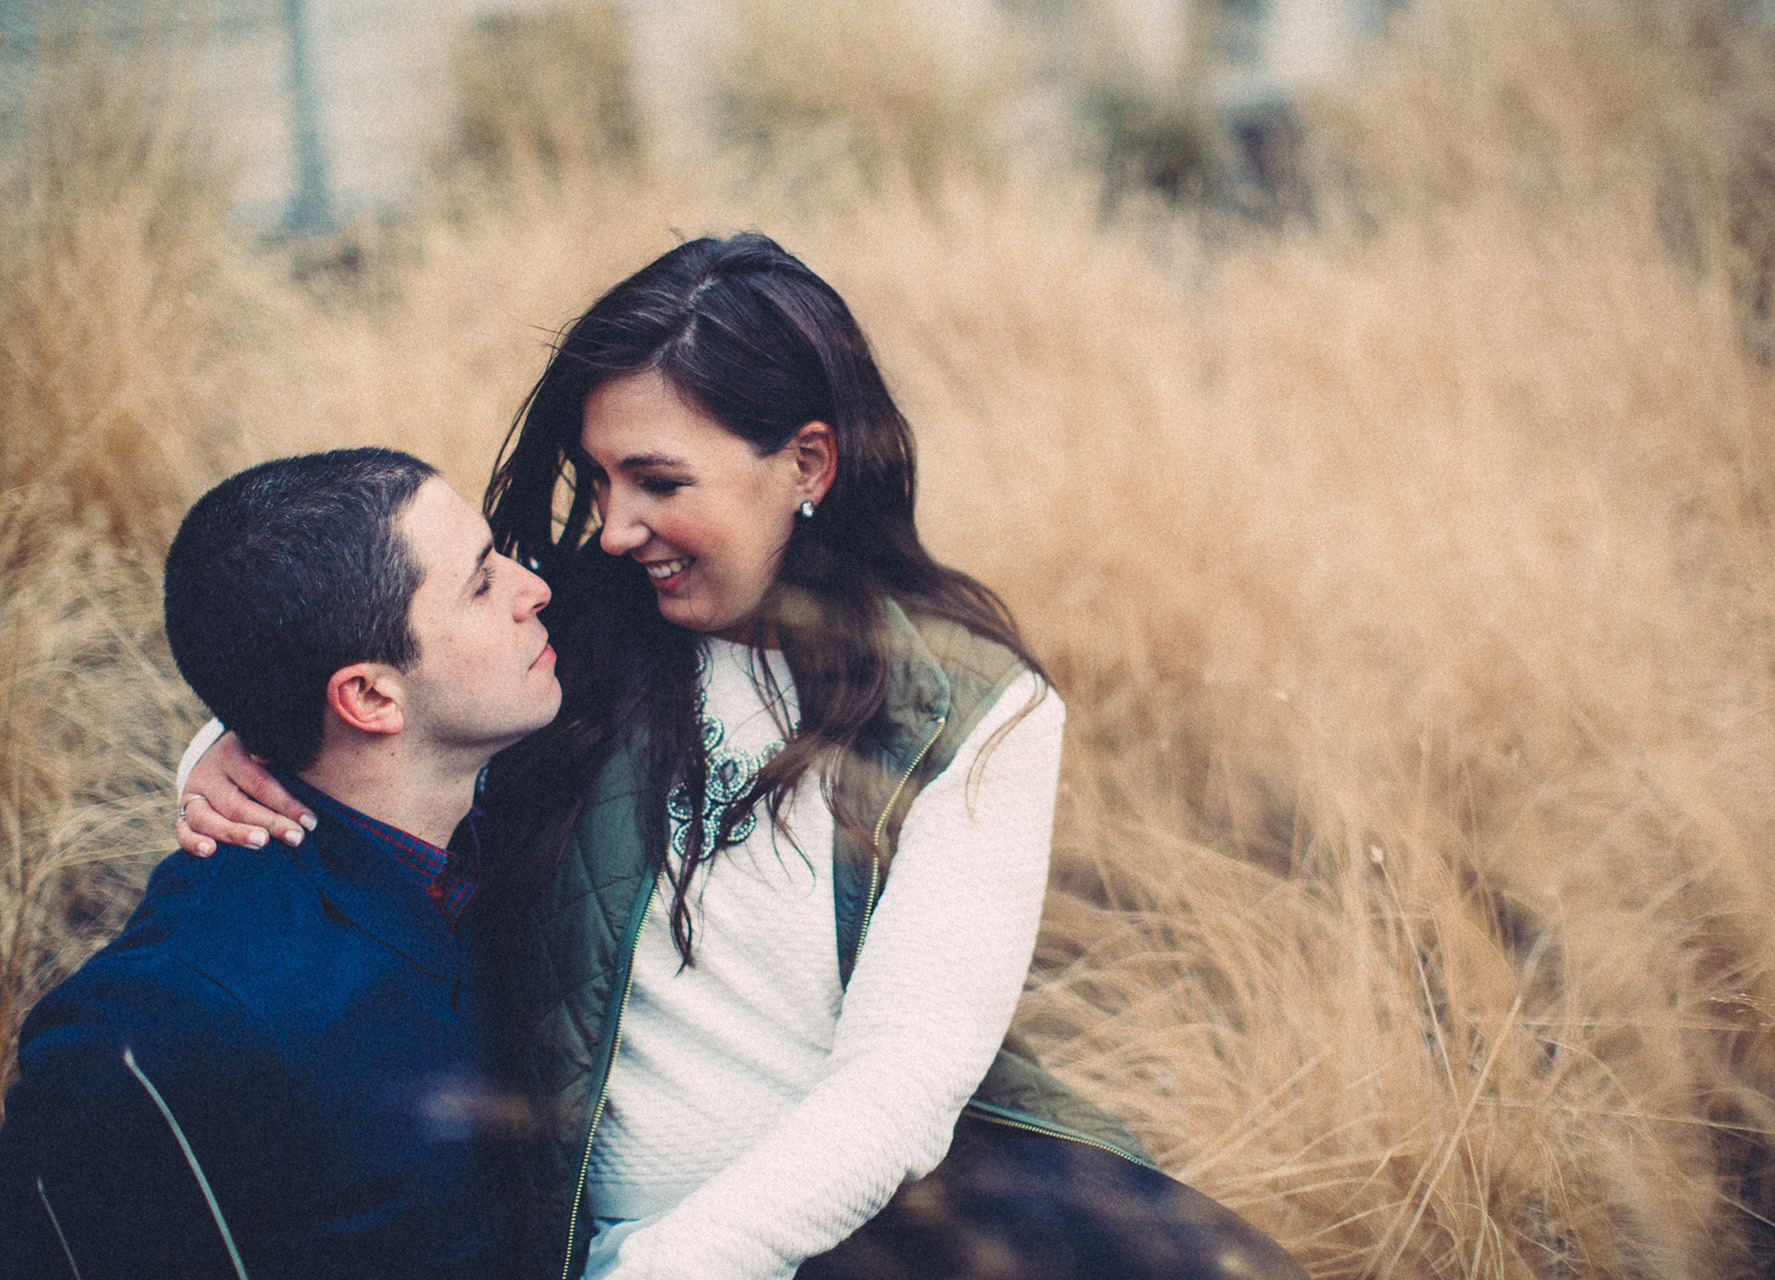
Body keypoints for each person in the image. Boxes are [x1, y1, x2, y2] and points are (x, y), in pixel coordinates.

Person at [178, 237, 1307, 1280]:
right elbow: (371, 679)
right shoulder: (566, 636)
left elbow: (903, 1079)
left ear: (807, 462)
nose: (614, 527)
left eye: (661, 483)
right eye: (601, 478)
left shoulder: (974, 709)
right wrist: (228, 748)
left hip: (880, 1232)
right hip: (582, 1226)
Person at [0, 448, 561, 1279]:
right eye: (481, 582)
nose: (534, 587)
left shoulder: (489, 844)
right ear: (370, 699)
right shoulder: (168, 1024)